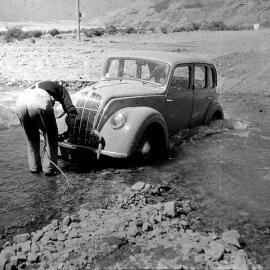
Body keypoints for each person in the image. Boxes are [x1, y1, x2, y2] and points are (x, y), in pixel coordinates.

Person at [16, 81, 77, 176]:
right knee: (51, 137)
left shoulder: (43, 85)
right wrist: (70, 132)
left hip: (21, 101)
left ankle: (34, 170)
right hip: (39, 100)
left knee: (31, 139)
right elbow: (71, 111)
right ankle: (49, 171)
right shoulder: (62, 90)